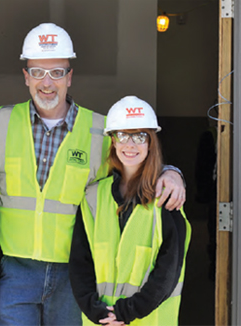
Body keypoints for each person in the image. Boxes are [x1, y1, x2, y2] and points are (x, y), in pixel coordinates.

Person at [0, 23, 186, 326]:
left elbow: (136, 156)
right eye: (37, 72)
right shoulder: (0, 121)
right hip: (13, 272)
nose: (47, 83)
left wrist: (171, 172)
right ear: (26, 76)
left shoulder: (100, 130)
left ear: (69, 76)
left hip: (75, 276)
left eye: (57, 72)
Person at [69, 96, 191, 326]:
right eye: (123, 135)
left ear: (150, 142)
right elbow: (80, 263)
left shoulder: (166, 197)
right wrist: (97, 312)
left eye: (140, 136)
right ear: (113, 141)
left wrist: (126, 312)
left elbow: (168, 271)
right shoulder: (93, 197)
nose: (130, 144)